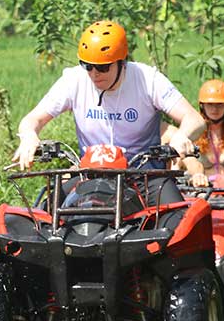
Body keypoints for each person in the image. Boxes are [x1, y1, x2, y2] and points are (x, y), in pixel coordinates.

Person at [11, 20, 206, 205]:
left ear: (122, 62)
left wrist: (181, 136)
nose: (94, 73)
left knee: (178, 217)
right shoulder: (74, 80)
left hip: (143, 175)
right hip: (90, 174)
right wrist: (29, 136)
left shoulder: (148, 79)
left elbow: (194, 119)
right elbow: (32, 119)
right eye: (87, 65)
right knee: (48, 211)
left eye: (103, 67)